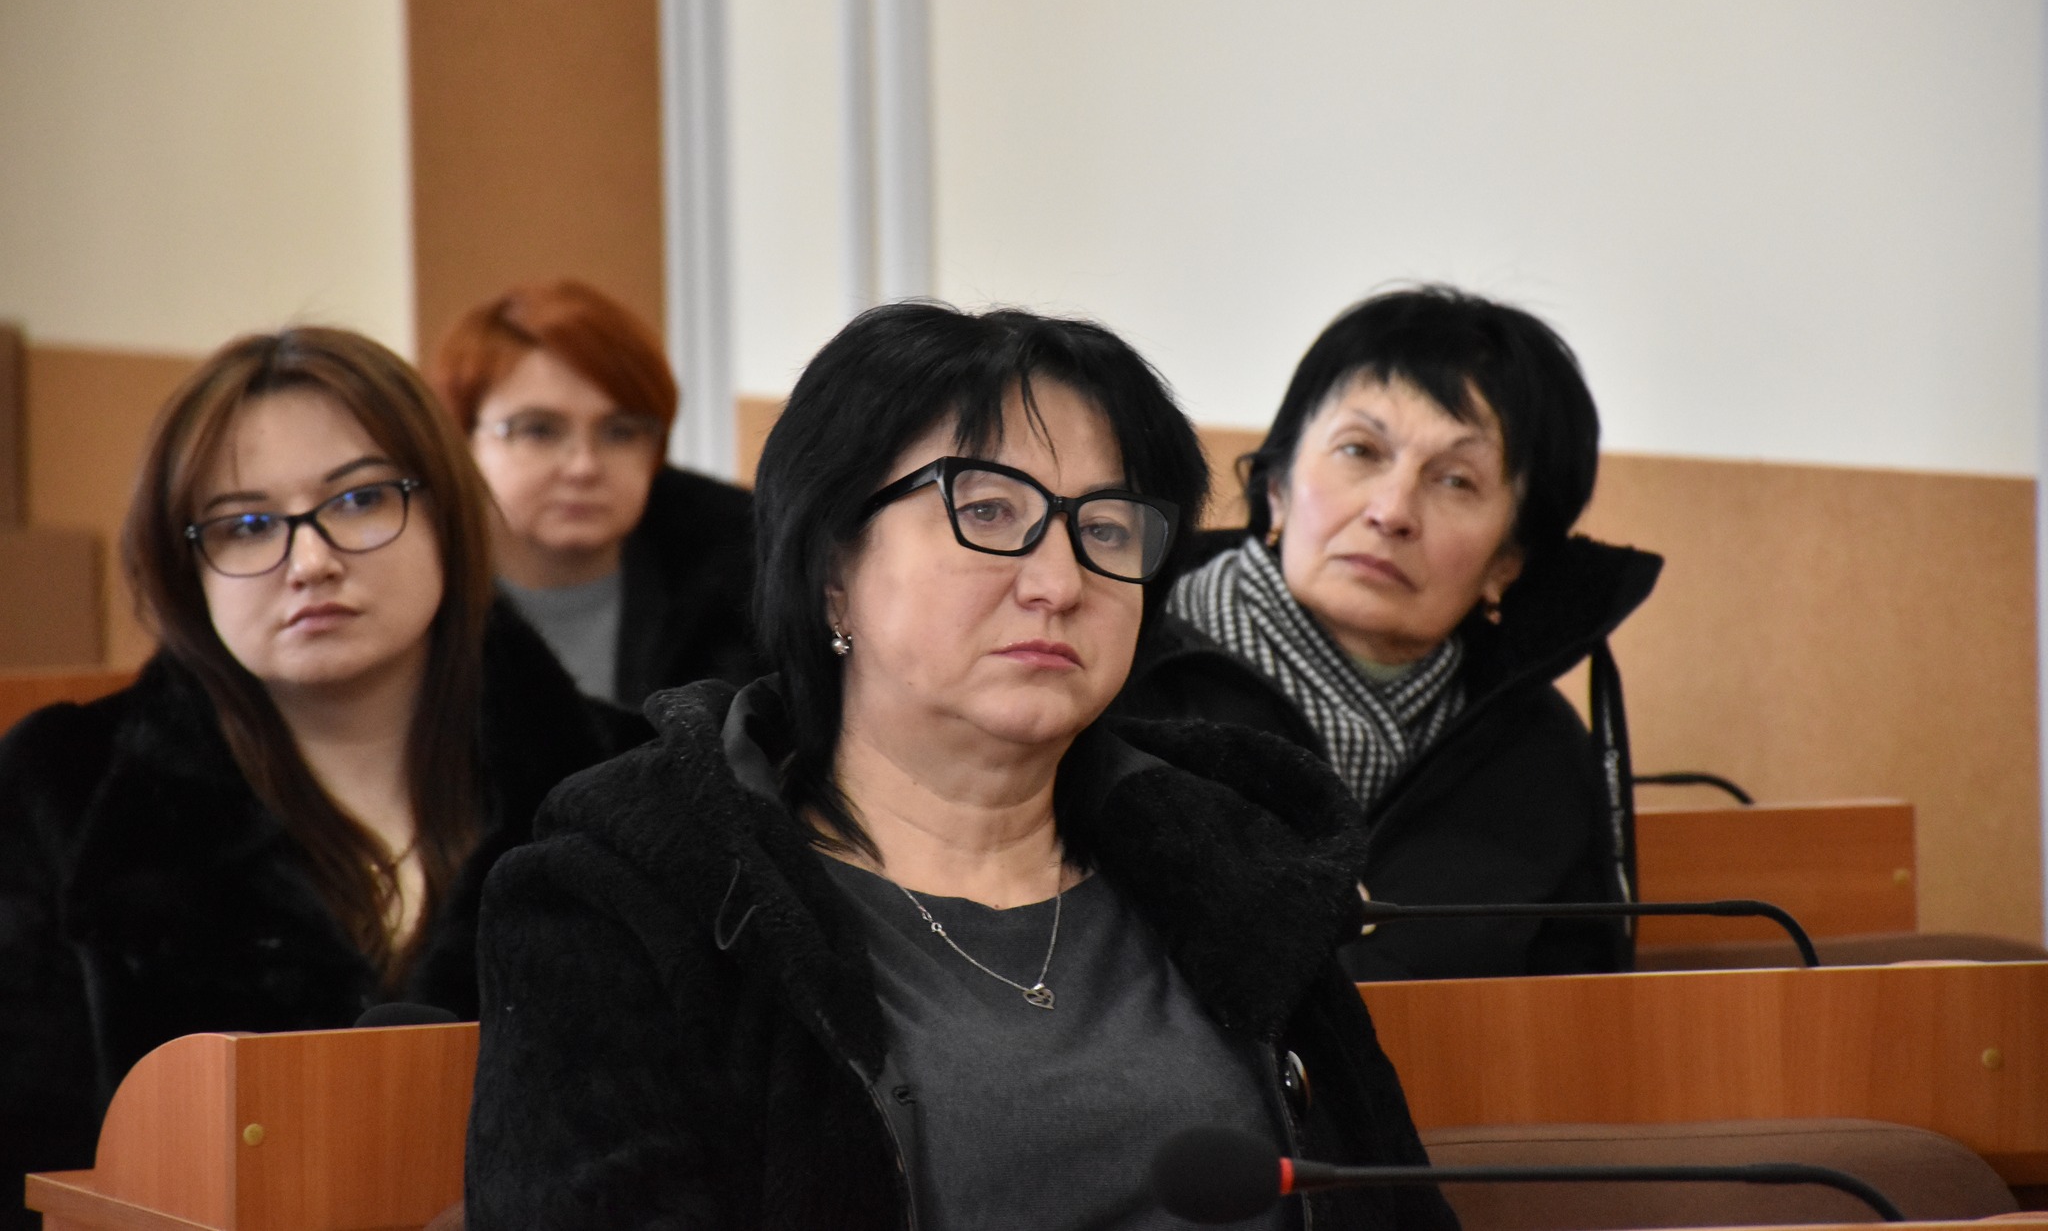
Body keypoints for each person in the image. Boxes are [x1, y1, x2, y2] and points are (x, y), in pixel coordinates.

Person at [464, 303, 1456, 1231]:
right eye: (986, 511)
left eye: (1105, 529)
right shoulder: (627, 893)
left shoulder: (1237, 863)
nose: (1059, 581)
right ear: (832, 569)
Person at [0, 328, 633, 1228]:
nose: (311, 561)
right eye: (246, 524)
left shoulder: (625, 780)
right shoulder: (62, 787)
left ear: (446, 513)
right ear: (185, 565)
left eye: (362, 498)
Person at [1120, 286, 1663, 980]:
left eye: (1456, 481)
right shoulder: (1125, 673)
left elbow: (1580, 1009)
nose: (1392, 510)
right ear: (1276, 486)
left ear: (1507, 561)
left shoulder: (1539, 756)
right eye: (1360, 449)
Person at [431, 280, 759, 707]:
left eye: (620, 432)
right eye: (538, 430)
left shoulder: (745, 564)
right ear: (463, 441)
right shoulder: (416, 574)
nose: (584, 466)